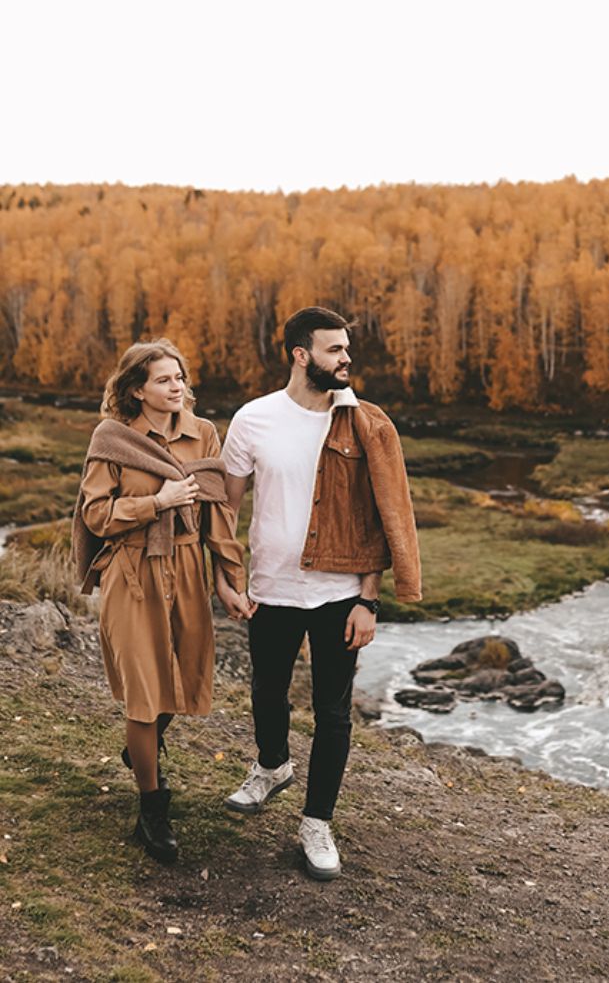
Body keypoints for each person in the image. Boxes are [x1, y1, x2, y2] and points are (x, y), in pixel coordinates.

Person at [220, 306, 421, 881]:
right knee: (267, 691)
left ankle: (317, 823)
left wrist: (368, 600)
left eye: (347, 349)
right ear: (301, 355)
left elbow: (378, 517)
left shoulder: (364, 424)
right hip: (271, 588)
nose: (346, 359)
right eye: (335, 349)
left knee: (333, 712)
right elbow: (226, 509)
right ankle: (272, 766)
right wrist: (225, 578)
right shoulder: (254, 419)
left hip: (339, 594)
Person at [72, 339, 253, 864]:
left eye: (180, 378)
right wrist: (157, 501)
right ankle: (152, 809)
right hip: (132, 572)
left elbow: (218, 513)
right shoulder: (112, 437)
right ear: (137, 389)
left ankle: (141, 748)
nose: (177, 387)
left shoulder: (203, 434)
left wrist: (229, 579)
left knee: (184, 678)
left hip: (189, 569)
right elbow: (95, 515)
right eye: (164, 380)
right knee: (145, 693)